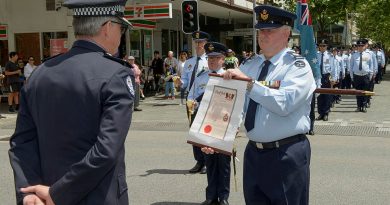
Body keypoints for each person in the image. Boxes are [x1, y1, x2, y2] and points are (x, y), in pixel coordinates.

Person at [8, 0, 134, 204]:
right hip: (98, 197)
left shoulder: (40, 73)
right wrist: (57, 193)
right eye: (121, 28)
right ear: (108, 27)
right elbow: (106, 151)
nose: (121, 35)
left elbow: (22, 142)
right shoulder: (115, 74)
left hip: (42, 196)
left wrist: (29, 192)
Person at [219, 5, 315, 204]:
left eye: (269, 30)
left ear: (286, 33)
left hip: (286, 154)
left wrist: (250, 84)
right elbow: (236, 106)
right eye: (261, 30)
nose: (263, 35)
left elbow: (285, 104)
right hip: (254, 153)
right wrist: (215, 138)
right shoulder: (249, 64)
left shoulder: (297, 66)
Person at [191, 42, 230, 205]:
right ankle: (211, 196)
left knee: (223, 163)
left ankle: (223, 197)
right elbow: (192, 95)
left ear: (223, 59)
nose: (212, 62)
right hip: (205, 125)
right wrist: (191, 103)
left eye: (216, 58)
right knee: (210, 161)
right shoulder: (201, 76)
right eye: (210, 59)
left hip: (223, 125)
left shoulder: (230, 77)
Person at [180, 31, 210, 174]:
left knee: (203, 132)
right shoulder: (189, 62)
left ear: (206, 43)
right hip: (190, 101)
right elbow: (185, 81)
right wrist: (179, 82)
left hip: (203, 100)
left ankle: (206, 161)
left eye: (201, 42)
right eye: (196, 42)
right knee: (193, 131)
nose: (198, 45)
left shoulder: (209, 61)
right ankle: (199, 160)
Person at [350, 39, 374, 113]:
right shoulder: (354, 55)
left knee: (365, 92)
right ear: (357, 47)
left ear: (364, 46)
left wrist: (370, 75)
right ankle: (358, 106)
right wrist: (352, 76)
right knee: (357, 92)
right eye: (359, 46)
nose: (360, 47)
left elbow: (371, 65)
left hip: (365, 76)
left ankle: (363, 106)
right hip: (357, 76)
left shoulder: (368, 55)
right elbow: (351, 66)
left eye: (362, 46)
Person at [316, 39, 336, 121]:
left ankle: (326, 113)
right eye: (320, 45)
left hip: (326, 76)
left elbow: (333, 68)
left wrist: (333, 78)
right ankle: (321, 113)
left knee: (327, 95)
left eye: (324, 46)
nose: (322, 47)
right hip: (318, 76)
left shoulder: (330, 56)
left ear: (326, 46)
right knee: (319, 96)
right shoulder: (316, 55)